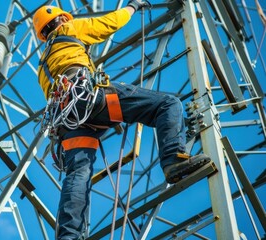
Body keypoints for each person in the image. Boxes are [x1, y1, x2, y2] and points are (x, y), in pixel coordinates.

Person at [33, 1, 212, 239]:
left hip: (68, 121)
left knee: (77, 174)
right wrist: (133, 6)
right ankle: (173, 161)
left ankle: (68, 236)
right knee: (167, 105)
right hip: (90, 100)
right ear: (62, 20)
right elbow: (109, 23)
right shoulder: (68, 30)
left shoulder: (42, 66)